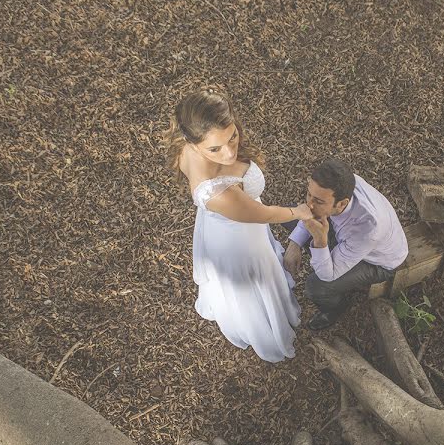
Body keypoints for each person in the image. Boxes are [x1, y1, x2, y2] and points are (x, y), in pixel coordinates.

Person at [164, 89, 313, 362]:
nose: (230, 152)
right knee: (254, 281)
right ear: (193, 142)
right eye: (215, 149)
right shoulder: (219, 193)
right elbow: (264, 214)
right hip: (240, 239)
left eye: (232, 136)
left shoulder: (186, 146)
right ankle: (263, 325)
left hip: (225, 225)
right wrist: (298, 211)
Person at [284, 159, 408, 330]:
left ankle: (335, 308)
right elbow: (309, 210)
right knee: (290, 216)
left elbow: (327, 275)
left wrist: (320, 240)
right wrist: (294, 244)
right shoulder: (342, 184)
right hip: (351, 239)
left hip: (377, 262)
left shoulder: (367, 228)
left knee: (316, 286)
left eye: (318, 201)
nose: (309, 204)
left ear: (342, 203)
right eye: (308, 194)